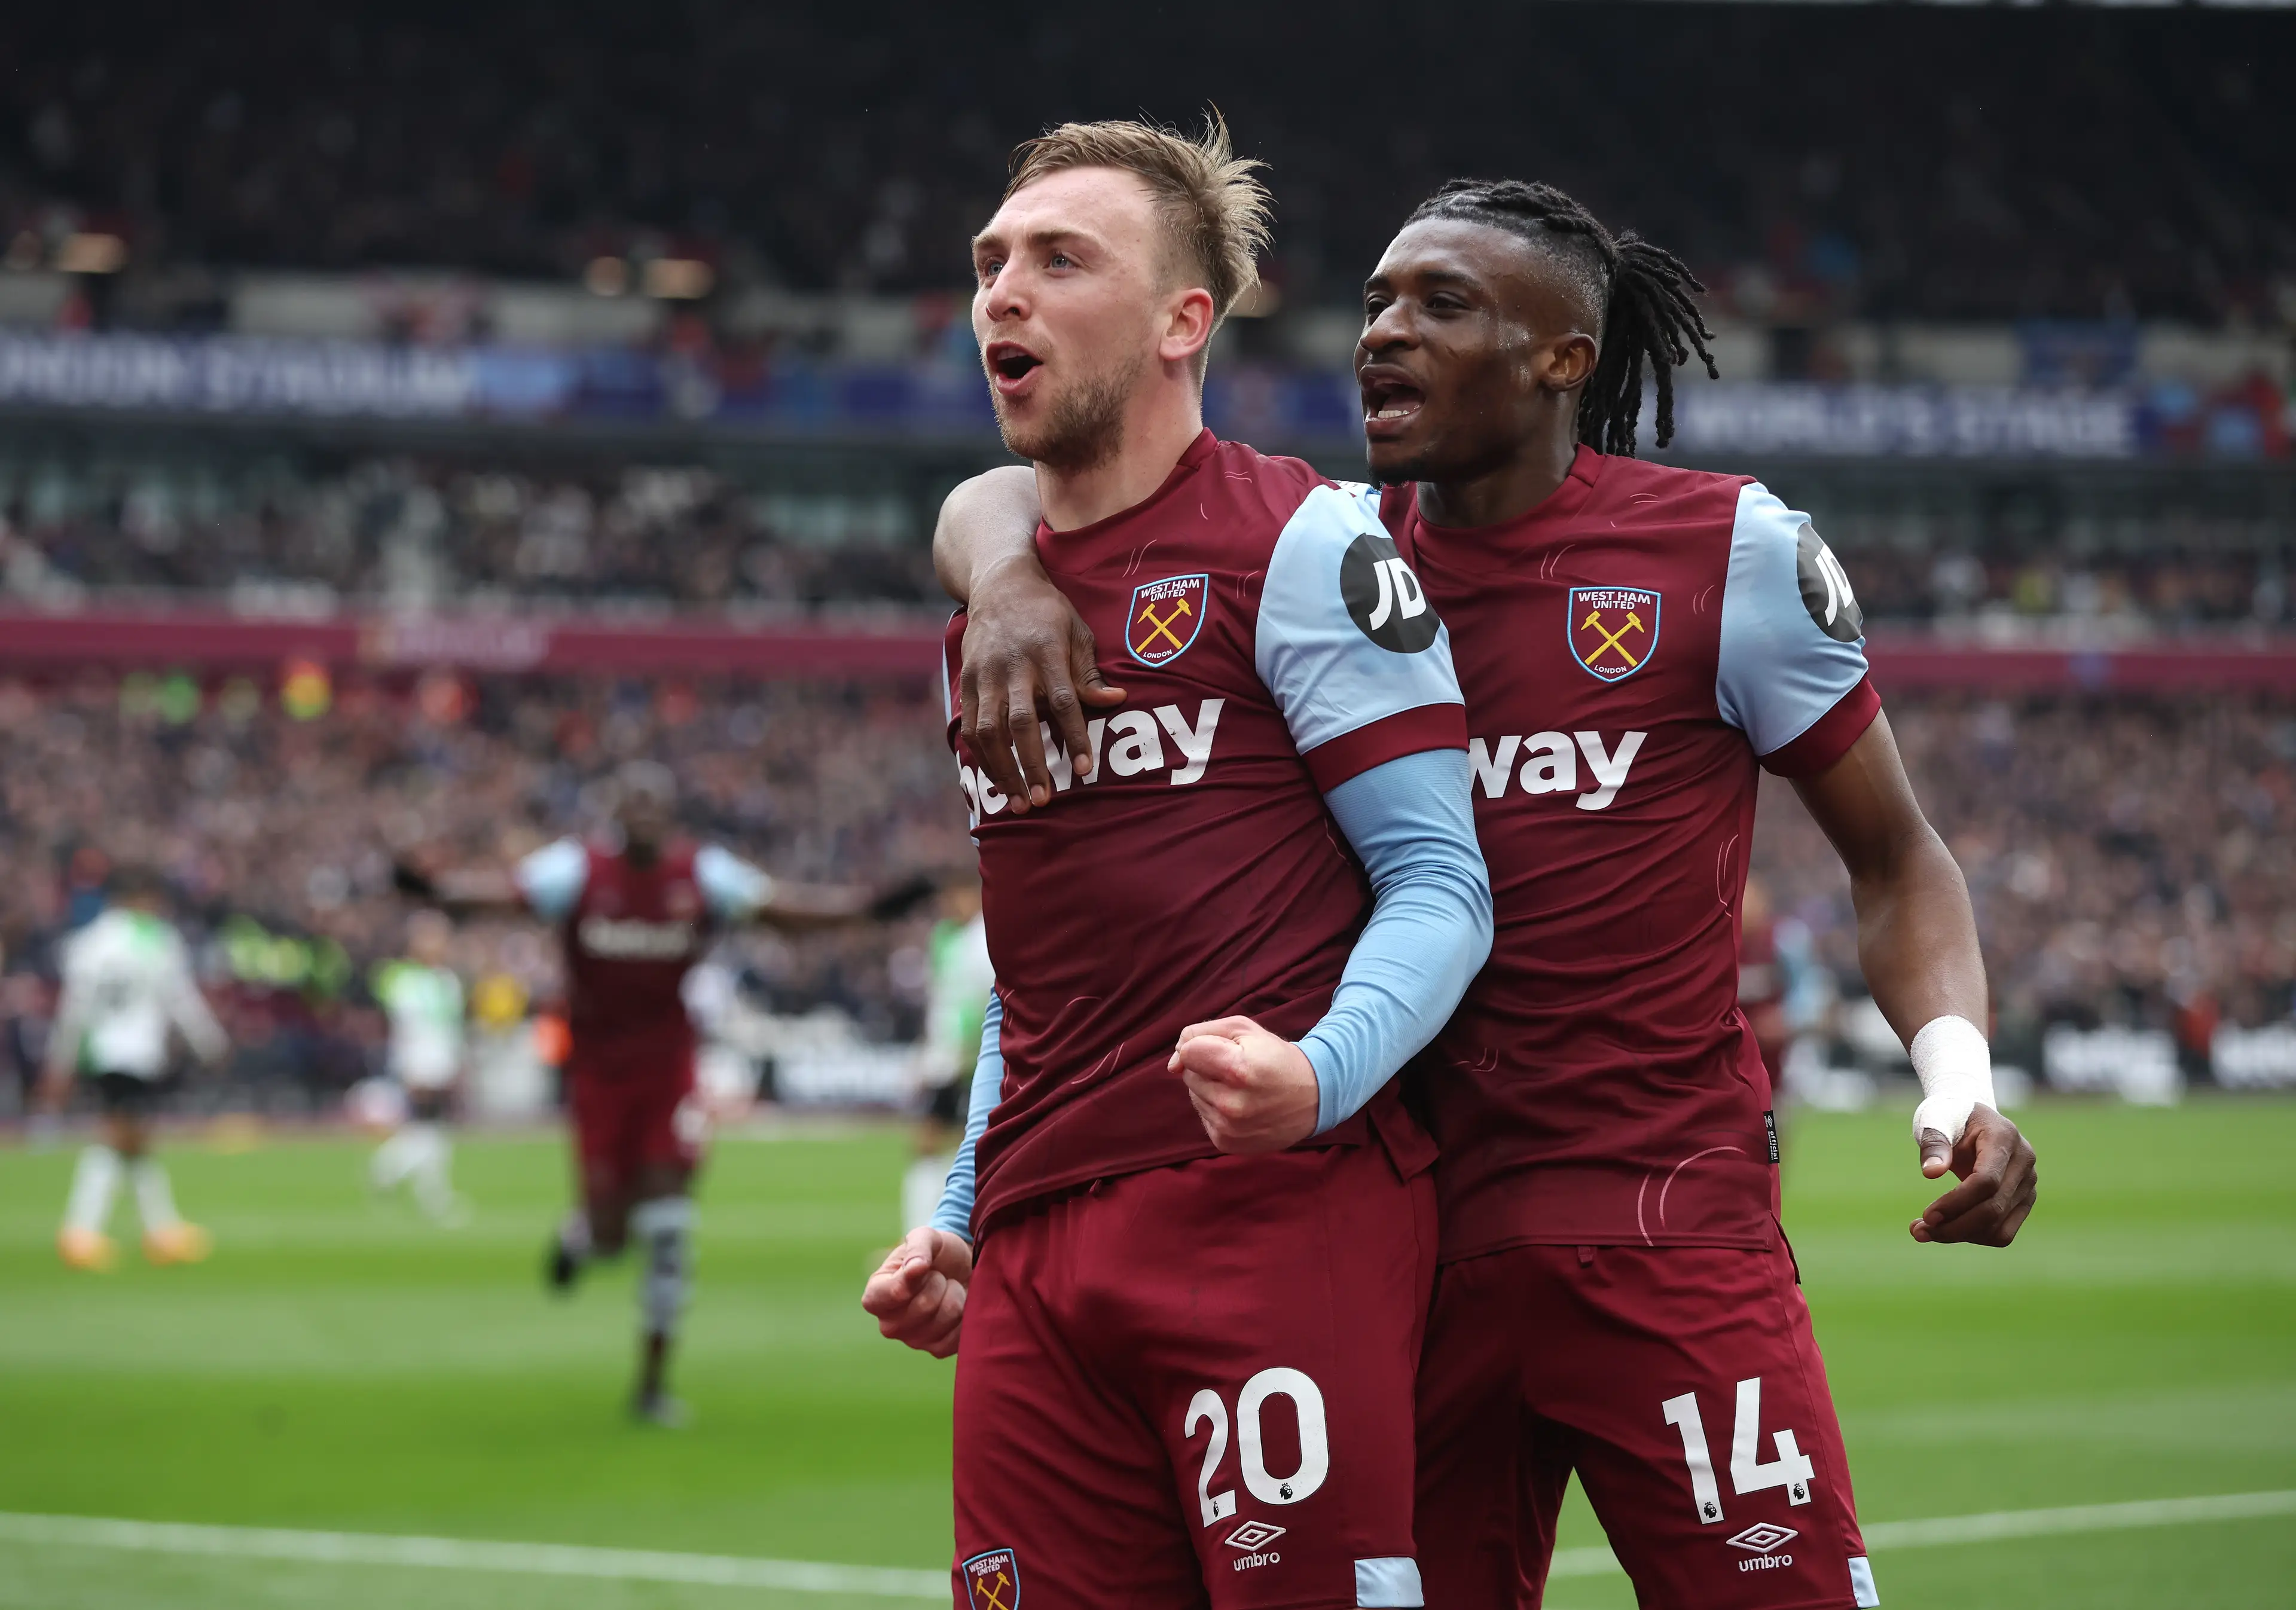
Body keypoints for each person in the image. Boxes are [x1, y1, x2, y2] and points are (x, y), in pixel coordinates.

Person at [930, 178, 2041, 1610]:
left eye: (1441, 305)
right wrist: (1012, 568)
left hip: (1661, 1223)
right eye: (1379, 302)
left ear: (1560, 357)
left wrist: (1956, 1077)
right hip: (1416, 1252)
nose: (1383, 335)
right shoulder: (1330, 556)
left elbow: (1895, 854)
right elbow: (1024, 486)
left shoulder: (1729, 553)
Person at [860, 118, 1492, 1610]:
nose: (1001, 293)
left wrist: (1319, 1073)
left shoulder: (1305, 545)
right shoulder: (988, 622)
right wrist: (957, 1210)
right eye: (989, 263)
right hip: (1031, 1260)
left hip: (1269, 1205)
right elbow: (1040, 974)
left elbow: (1442, 884)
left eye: (1058, 260)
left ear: (1181, 321)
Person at [402, 759, 908, 1425]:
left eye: (653, 803)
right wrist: (434, 890)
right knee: (614, 1234)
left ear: (667, 815)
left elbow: (782, 910)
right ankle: (584, 1235)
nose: (642, 813)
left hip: (670, 1068)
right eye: (631, 803)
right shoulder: (575, 871)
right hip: (598, 1073)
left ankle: (651, 1384)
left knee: (669, 1225)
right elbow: (498, 895)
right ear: (616, 814)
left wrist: (865, 909)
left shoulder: (702, 874)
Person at [41, 866, 229, 1270]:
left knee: (134, 1140)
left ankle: (160, 1229)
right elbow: (180, 997)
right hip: (136, 1049)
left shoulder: (87, 942)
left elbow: (74, 1008)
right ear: (139, 896)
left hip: (102, 1050)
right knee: (119, 1136)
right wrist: (210, 1042)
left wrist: (61, 1061)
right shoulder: (155, 938)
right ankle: (83, 1231)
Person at [902, 880, 993, 1236]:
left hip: (967, 1060)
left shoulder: (981, 941)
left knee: (966, 1147)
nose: (949, 902)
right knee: (929, 1143)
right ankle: (922, 1231)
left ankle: (957, 1233)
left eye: (956, 894)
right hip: (944, 1058)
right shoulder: (946, 938)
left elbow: (982, 1003)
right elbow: (943, 1002)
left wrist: (960, 1050)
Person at [368, 909, 469, 1224]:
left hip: (443, 1062)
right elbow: (406, 1028)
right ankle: (428, 1190)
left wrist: (457, 1063)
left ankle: (392, 1171)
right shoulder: (405, 980)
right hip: (419, 1062)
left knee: (431, 1129)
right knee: (429, 1127)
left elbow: (452, 1028)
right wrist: (410, 1067)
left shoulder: (448, 980)